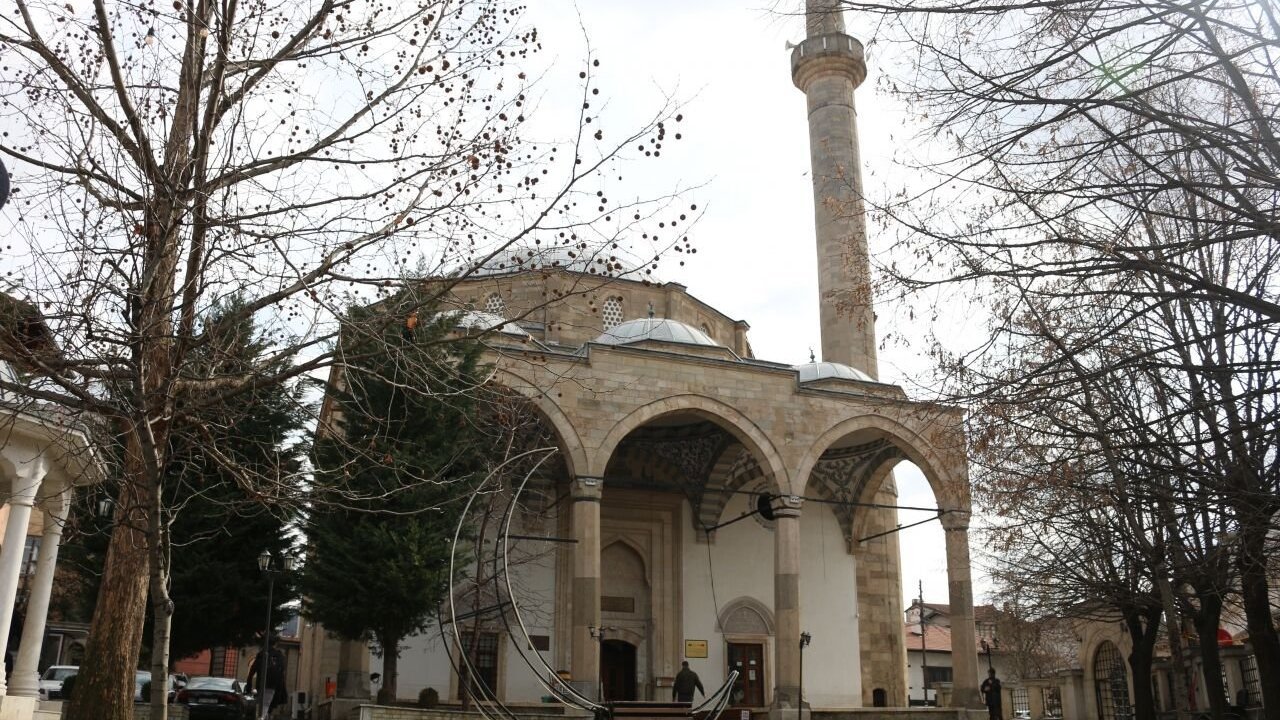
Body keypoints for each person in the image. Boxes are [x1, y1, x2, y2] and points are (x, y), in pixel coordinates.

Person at [246, 641, 288, 720]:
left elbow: (252, 670)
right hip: (273, 686)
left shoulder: (261, 655)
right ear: (275, 644)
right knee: (266, 706)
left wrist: (249, 684)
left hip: (261, 685)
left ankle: (262, 717)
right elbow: (281, 673)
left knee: (263, 705)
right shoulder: (279, 656)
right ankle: (263, 717)